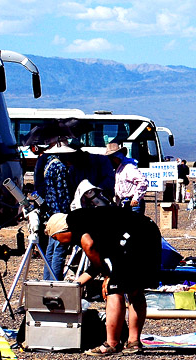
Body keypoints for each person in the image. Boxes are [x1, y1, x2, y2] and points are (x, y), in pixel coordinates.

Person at [44, 208, 160, 356]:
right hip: (148, 232)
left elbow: (89, 246)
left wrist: (107, 276)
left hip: (130, 239)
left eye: (56, 238)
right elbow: (96, 266)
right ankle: (133, 342)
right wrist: (74, 286)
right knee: (135, 289)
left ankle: (111, 343)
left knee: (113, 291)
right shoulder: (92, 221)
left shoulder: (74, 221)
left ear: (60, 231)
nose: (58, 242)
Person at [37, 147, 73, 281]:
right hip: (61, 214)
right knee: (59, 251)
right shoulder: (60, 167)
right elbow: (63, 194)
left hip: (51, 213)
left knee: (50, 251)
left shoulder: (48, 164)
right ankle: (55, 283)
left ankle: (47, 281)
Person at [106, 143, 148, 214]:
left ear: (116, 158)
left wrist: (136, 198)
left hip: (132, 203)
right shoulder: (117, 170)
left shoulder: (129, 168)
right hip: (123, 202)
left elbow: (143, 181)